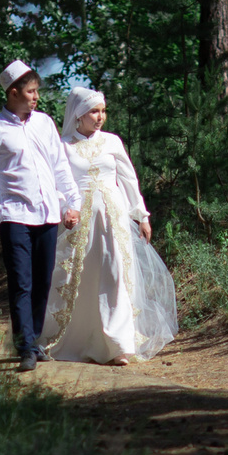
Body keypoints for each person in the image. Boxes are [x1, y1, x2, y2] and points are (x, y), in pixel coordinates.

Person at [41, 87, 177, 365]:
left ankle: (117, 345)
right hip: (79, 222)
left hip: (113, 219)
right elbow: (54, 185)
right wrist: (63, 209)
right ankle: (78, 339)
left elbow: (129, 180)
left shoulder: (112, 142)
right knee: (80, 277)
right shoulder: (63, 145)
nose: (100, 116)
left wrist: (142, 215)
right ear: (78, 114)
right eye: (94, 111)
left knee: (115, 275)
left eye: (103, 111)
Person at [0, 59, 80, 371]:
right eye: (31, 91)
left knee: (42, 281)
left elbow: (59, 166)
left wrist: (70, 204)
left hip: (47, 214)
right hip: (14, 215)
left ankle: (33, 340)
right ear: (14, 92)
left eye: (36, 91)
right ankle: (26, 348)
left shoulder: (45, 123)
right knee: (21, 281)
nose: (36, 97)